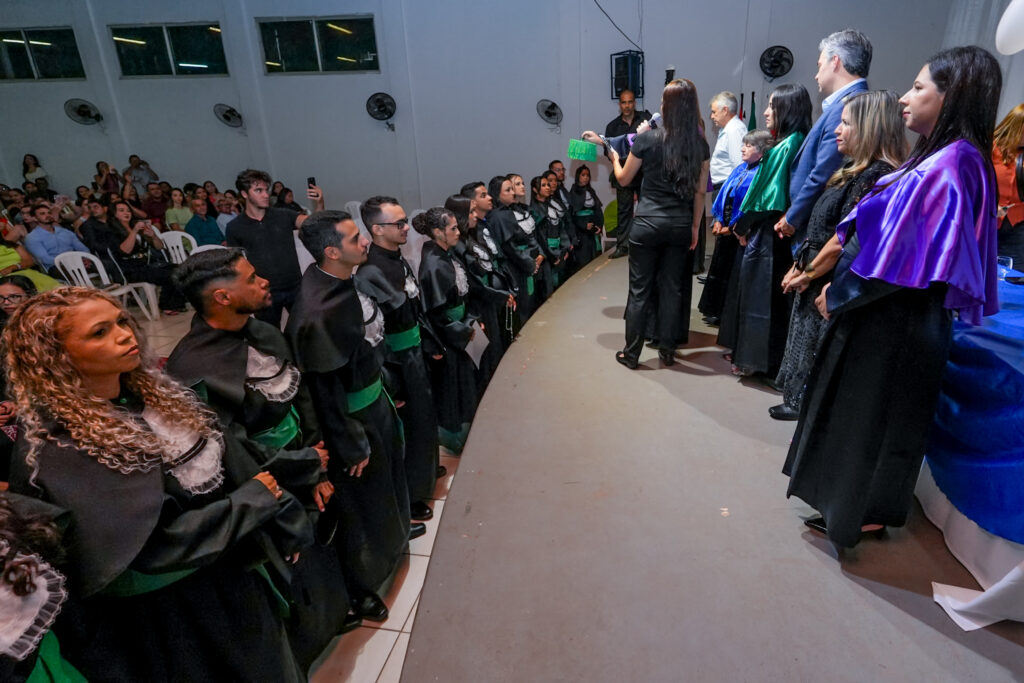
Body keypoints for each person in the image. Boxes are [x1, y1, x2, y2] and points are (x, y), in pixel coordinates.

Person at [4, 287, 311, 681]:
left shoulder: (148, 393)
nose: (124, 335)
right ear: (56, 356)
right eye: (99, 332)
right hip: (173, 609)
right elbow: (149, 545)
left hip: (224, 567)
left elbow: (225, 456)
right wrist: (251, 503)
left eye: (121, 321)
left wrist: (268, 517)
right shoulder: (59, 446)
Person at [784, 46, 1002, 548]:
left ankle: (857, 514)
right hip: (898, 317)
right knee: (879, 421)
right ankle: (862, 512)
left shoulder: (949, 166)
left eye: (919, 88)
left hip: (891, 318)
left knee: (869, 422)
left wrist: (839, 293)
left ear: (952, 96)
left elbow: (903, 262)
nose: (905, 97)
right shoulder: (953, 159)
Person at [166, 248, 360, 671]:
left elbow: (301, 393)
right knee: (289, 561)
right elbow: (232, 448)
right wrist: (304, 464)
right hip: (262, 476)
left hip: (306, 455)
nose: (264, 281)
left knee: (322, 543)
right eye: (251, 278)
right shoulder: (192, 366)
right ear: (222, 297)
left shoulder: (263, 330)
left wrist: (317, 460)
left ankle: (336, 609)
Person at [288, 210, 421, 624]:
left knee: (388, 480)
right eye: (354, 238)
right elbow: (323, 392)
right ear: (331, 252)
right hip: (352, 420)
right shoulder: (317, 310)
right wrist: (350, 444)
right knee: (361, 502)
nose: (365, 242)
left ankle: (395, 539)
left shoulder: (343, 280)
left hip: (373, 399)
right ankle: (364, 584)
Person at [770, 90, 907, 421]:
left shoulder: (874, 175)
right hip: (816, 267)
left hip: (828, 276)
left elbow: (842, 239)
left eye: (846, 123)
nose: (837, 130)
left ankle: (803, 403)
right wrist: (801, 266)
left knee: (814, 347)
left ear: (869, 128)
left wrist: (808, 273)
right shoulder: (855, 169)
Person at [594, 79, 710, 368]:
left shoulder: (647, 139)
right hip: (680, 224)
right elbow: (700, 192)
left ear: (668, 107)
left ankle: (631, 354)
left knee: (639, 291)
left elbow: (623, 179)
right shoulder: (699, 145)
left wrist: (614, 157)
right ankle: (667, 350)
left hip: (646, 224)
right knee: (672, 288)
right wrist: (695, 227)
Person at [354, 196, 441, 522]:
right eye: (399, 223)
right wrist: (392, 381)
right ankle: (413, 492)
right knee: (411, 424)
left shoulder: (396, 258)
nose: (407, 228)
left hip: (414, 350)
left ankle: (426, 472)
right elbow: (375, 334)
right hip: (397, 359)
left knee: (424, 417)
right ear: (377, 229)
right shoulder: (370, 271)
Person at [717, 83, 812, 378]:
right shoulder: (794, 140)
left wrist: (740, 226)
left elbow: (768, 199)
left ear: (787, 109)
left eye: (772, 106)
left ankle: (759, 363)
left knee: (762, 301)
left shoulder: (786, 145)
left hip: (769, 235)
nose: (767, 112)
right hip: (773, 232)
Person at [774, 29, 872, 251]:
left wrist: (793, 217)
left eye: (819, 65)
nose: (816, 75)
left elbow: (823, 172)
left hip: (815, 223)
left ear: (835, 61)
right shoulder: (848, 102)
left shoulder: (848, 105)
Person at [414, 208, 480, 454]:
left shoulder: (445, 255)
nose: (458, 232)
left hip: (460, 325)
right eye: (452, 228)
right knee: (451, 388)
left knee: (464, 384)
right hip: (447, 337)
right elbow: (435, 313)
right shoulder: (433, 265)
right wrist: (462, 330)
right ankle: (454, 437)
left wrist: (470, 320)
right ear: (437, 232)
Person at [225, 169, 325, 327]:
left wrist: (319, 203)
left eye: (266, 190)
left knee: (306, 330)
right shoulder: (235, 227)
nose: (266, 195)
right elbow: (236, 263)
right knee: (271, 335)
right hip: (263, 291)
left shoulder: (283, 215)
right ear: (244, 194)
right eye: (259, 190)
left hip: (295, 285)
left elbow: (314, 224)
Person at [698, 130, 772, 325]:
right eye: (744, 144)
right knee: (719, 269)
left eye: (749, 145)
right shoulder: (740, 169)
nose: (743, 149)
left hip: (741, 232)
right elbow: (723, 195)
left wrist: (732, 228)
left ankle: (727, 314)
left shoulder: (761, 174)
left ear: (762, 151)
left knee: (734, 275)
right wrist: (718, 219)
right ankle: (715, 310)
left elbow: (752, 206)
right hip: (725, 226)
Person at [445, 193, 513, 391]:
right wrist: (501, 296)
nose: (476, 215)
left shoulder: (471, 237)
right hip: (476, 306)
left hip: (486, 300)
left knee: (493, 350)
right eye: (471, 212)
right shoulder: (457, 246)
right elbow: (473, 284)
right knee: (482, 358)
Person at [94, 200, 187, 314]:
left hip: (148, 264)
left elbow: (160, 247)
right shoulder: (112, 232)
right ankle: (167, 305)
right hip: (131, 269)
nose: (126, 213)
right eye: (121, 210)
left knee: (182, 269)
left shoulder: (136, 227)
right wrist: (134, 231)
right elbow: (125, 251)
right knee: (169, 275)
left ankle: (175, 303)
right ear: (114, 214)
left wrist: (153, 236)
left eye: (128, 210)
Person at [487, 175, 544, 321]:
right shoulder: (499, 216)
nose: (513, 192)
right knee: (523, 308)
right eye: (508, 190)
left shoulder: (505, 212)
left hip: (521, 263)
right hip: (515, 268)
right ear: (497, 194)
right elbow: (510, 247)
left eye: (512, 189)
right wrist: (530, 264)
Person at [605, 89, 653, 258]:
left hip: (644, 173)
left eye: (630, 102)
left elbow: (655, 141)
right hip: (623, 173)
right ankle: (623, 246)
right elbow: (608, 152)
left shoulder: (645, 120)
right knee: (624, 210)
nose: (627, 105)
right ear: (620, 104)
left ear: (634, 103)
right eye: (624, 102)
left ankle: (648, 243)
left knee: (646, 208)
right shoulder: (612, 126)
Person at [992, 102, 1024, 264]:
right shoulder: (989, 148)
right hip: (987, 219)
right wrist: (990, 204)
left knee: (1014, 271)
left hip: (1017, 224)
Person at [22, 204, 90, 278]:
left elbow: (83, 248)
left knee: (97, 264)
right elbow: (44, 259)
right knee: (77, 272)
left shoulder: (65, 232)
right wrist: (69, 262)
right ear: (34, 218)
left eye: (49, 213)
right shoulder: (32, 237)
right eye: (42, 214)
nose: (48, 215)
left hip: (76, 262)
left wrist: (85, 258)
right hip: (55, 266)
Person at [568, 164, 605, 268]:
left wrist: (599, 225)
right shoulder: (574, 192)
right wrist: (584, 225)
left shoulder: (591, 191)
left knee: (595, 259)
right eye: (583, 175)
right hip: (581, 233)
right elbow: (571, 215)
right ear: (578, 176)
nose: (586, 177)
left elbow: (597, 210)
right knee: (584, 261)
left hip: (593, 230)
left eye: (587, 175)